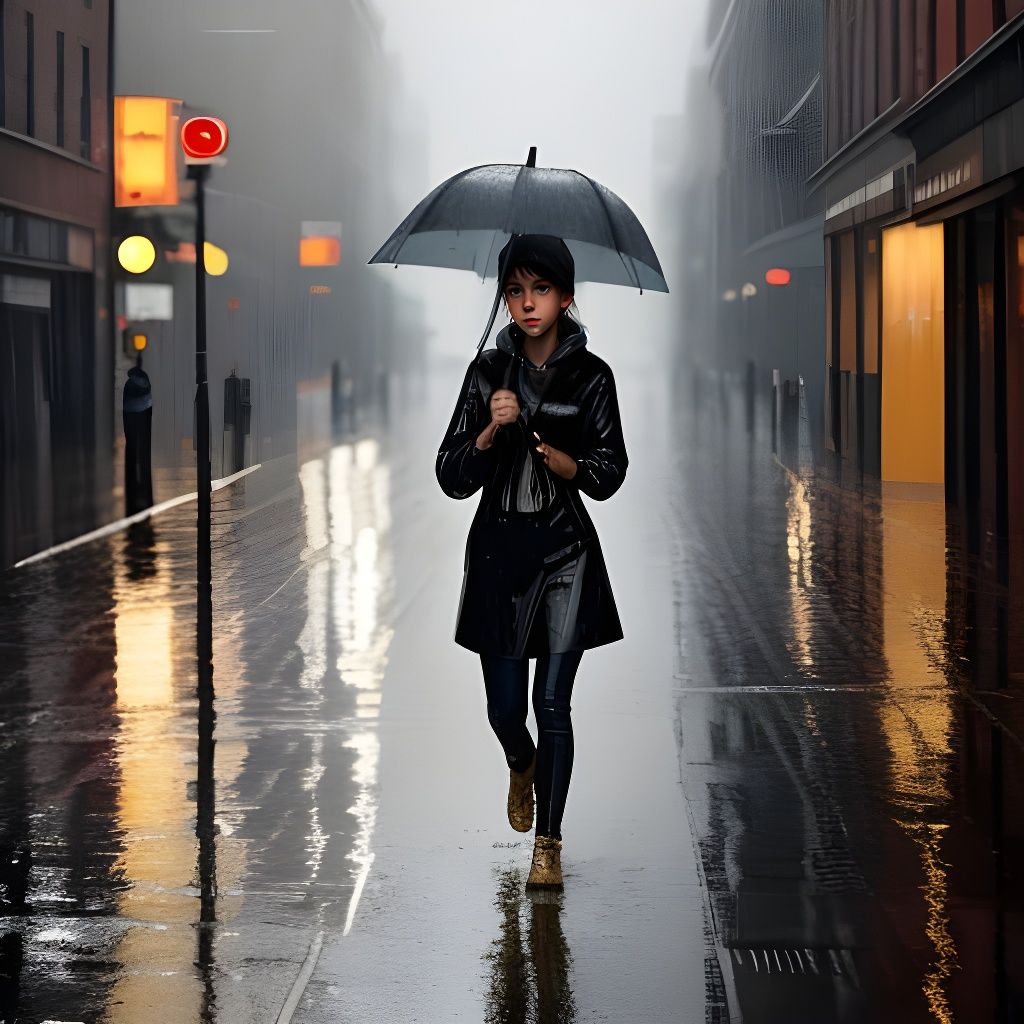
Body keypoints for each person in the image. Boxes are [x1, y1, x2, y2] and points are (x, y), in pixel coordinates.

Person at [436, 234, 628, 891]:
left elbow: (610, 472)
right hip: (499, 555)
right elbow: (450, 474)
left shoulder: (592, 376)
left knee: (553, 703)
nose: (527, 303)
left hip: (566, 555)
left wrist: (563, 461)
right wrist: (488, 432)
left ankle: (548, 844)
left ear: (566, 296)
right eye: (514, 291)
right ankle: (521, 763)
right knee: (504, 710)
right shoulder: (486, 375)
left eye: (540, 289)